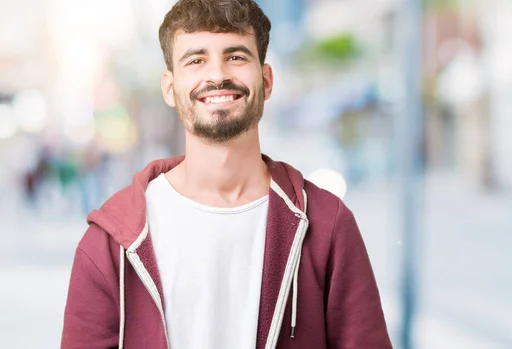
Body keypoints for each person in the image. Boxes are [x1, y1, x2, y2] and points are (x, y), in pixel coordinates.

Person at [61, 0, 392, 348]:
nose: (217, 75)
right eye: (196, 60)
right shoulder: (112, 242)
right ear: (169, 88)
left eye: (235, 56)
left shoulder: (327, 225)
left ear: (266, 80)